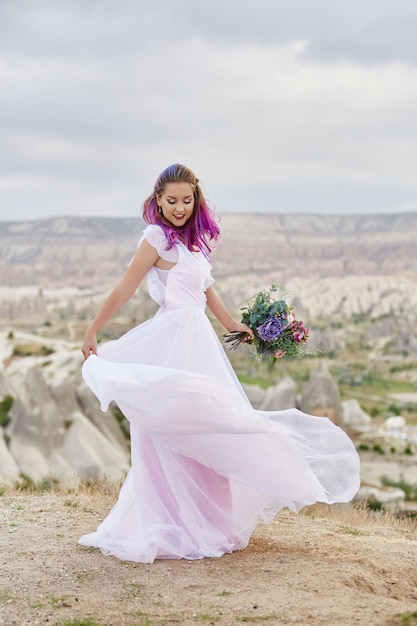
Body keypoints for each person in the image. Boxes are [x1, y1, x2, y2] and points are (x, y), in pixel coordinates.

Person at [79, 163, 360, 563]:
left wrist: (235, 325)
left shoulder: (194, 244)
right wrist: (93, 330)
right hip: (172, 339)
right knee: (174, 424)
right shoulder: (156, 238)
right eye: (172, 200)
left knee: (214, 423)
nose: (179, 208)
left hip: (199, 342)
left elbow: (207, 290)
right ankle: (170, 522)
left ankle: (207, 523)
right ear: (157, 200)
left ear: (197, 201)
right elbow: (126, 287)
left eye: (187, 200)